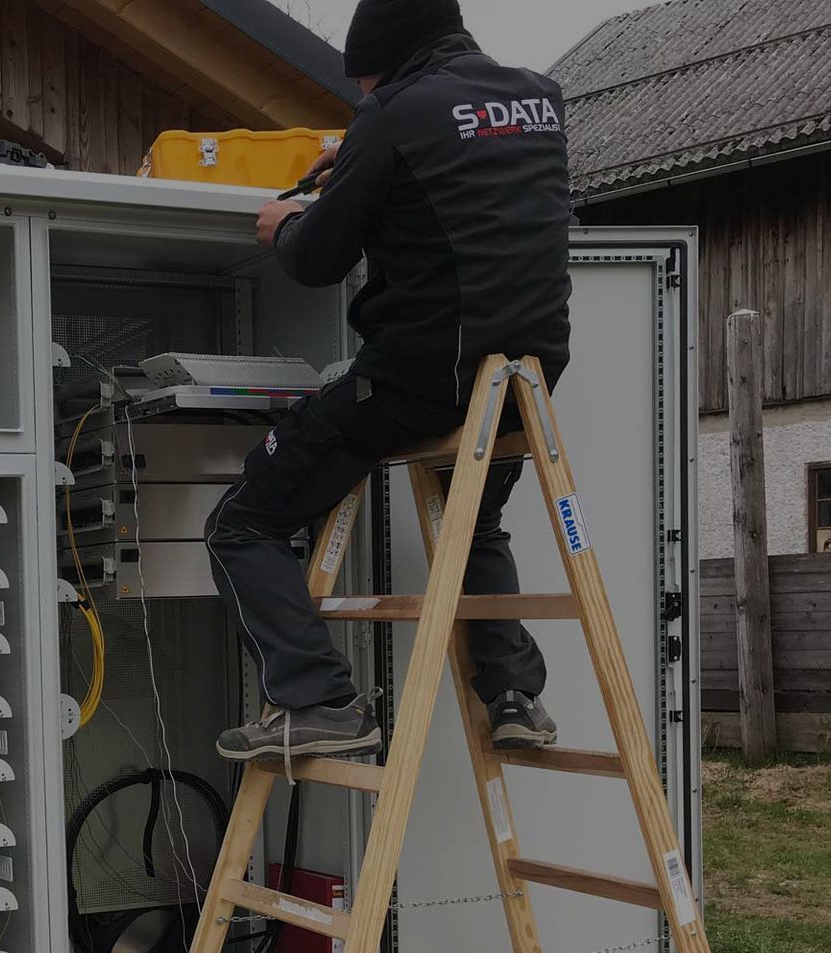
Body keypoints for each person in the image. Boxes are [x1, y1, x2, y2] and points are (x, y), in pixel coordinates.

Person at [207, 0, 572, 762]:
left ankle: (319, 701)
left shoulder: (394, 113)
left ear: (389, 53)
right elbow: (471, 186)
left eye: (365, 81)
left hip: (420, 381)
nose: (363, 95)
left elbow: (317, 261)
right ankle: (514, 695)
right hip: (524, 377)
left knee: (242, 522)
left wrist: (288, 222)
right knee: (475, 522)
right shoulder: (540, 97)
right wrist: (370, 158)